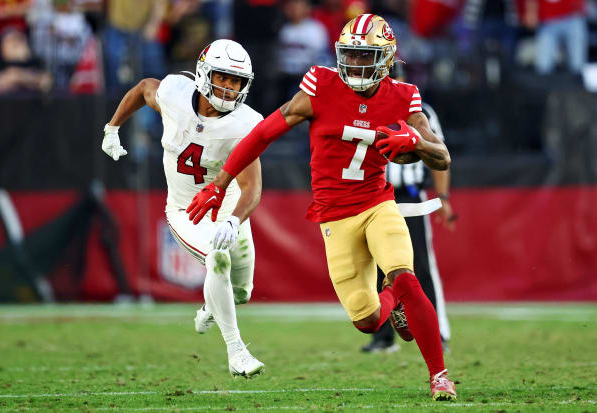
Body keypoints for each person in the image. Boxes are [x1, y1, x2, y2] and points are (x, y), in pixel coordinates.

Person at [187, 14, 457, 400]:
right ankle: (391, 300)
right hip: (335, 216)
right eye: (351, 55)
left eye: (366, 56)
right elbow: (263, 133)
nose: (357, 64)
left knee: (405, 276)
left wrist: (415, 141)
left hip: (379, 203)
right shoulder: (320, 87)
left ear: (386, 58)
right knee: (366, 321)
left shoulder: (403, 96)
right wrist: (220, 183)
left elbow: (442, 157)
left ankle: (439, 376)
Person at [101, 39, 265, 378]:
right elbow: (144, 88)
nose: (230, 88)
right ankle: (236, 351)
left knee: (243, 293)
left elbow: (252, 187)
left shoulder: (245, 123)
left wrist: (233, 220)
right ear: (205, 73)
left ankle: (211, 304)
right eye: (223, 78)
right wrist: (113, 127)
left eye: (236, 82)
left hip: (228, 204)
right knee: (217, 259)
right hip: (185, 210)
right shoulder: (176, 94)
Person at [361, 69, 454, 352]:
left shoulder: (421, 110)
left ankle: (437, 332)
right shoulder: (365, 109)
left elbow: (440, 153)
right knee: (377, 268)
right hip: (375, 197)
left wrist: (443, 197)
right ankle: (383, 336)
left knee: (421, 266)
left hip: (411, 196)